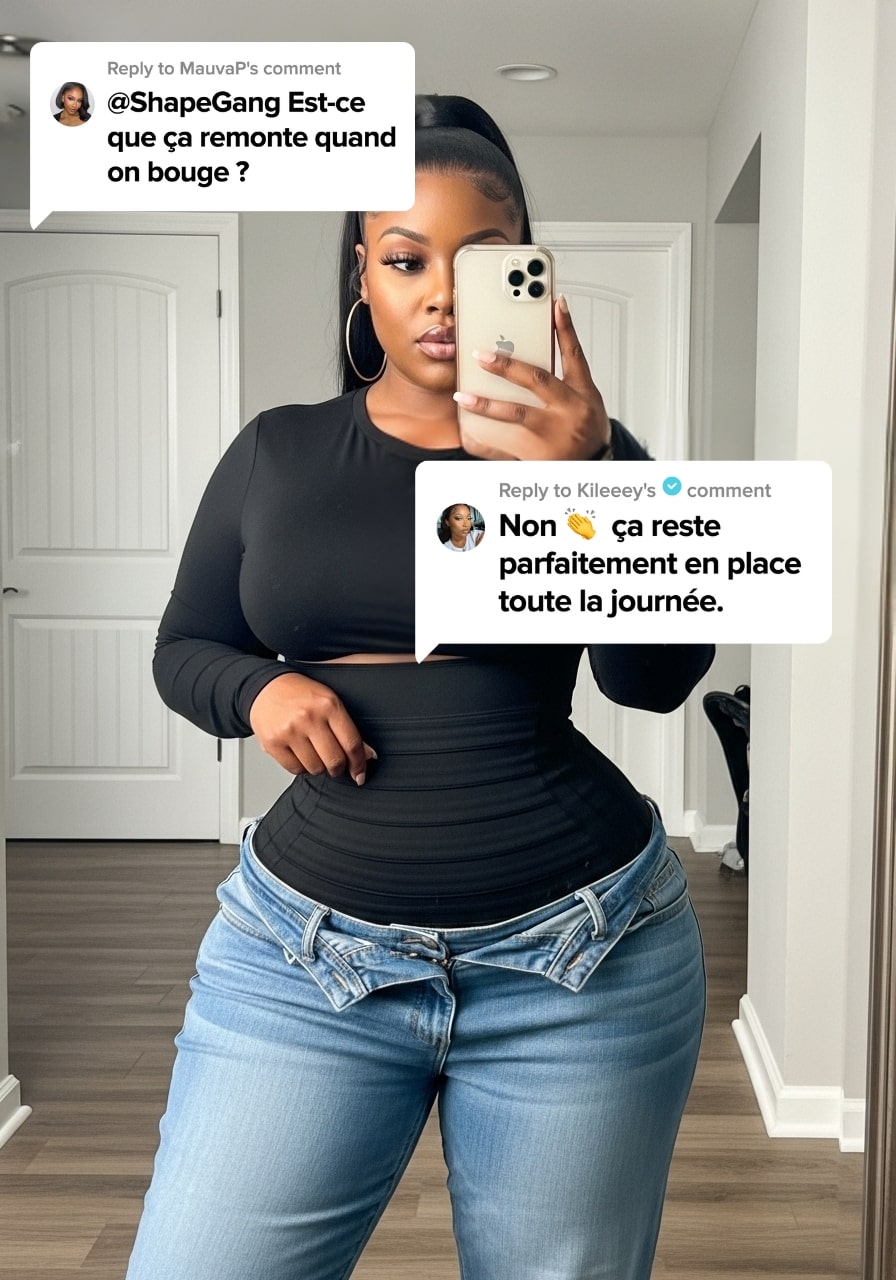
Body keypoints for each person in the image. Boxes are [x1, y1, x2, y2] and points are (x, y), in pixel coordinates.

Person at [126, 94, 714, 1280]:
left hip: (583, 961)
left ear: (530, 273)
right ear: (363, 277)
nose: (440, 293)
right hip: (300, 962)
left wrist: (591, 477)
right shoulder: (278, 450)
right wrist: (258, 694)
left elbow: (653, 680)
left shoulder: (596, 455)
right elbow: (183, 645)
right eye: (405, 260)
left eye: (478, 260)